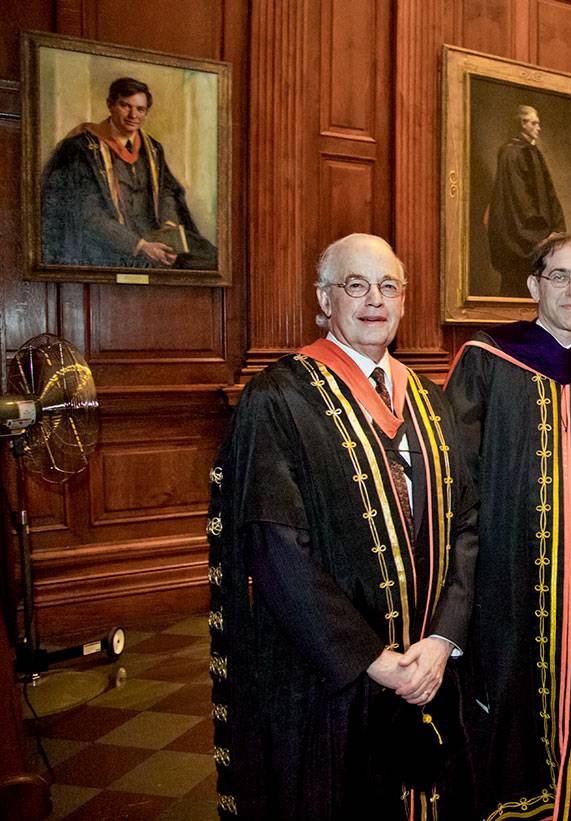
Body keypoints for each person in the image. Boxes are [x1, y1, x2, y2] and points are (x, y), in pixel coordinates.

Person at [206, 234, 478, 818]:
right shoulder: (279, 400)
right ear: (324, 300)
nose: (374, 300)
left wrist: (442, 639)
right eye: (356, 285)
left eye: (387, 286)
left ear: (404, 300)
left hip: (429, 670)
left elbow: (467, 525)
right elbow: (275, 551)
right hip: (329, 684)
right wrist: (372, 658)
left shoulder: (432, 403)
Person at [446, 232, 571, 820]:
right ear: (534, 285)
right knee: (509, 690)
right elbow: (457, 471)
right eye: (560, 276)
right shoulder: (488, 360)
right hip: (507, 574)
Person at [40, 77, 217, 269]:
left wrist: (168, 230)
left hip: (154, 237)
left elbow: (167, 192)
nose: (133, 115)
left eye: (140, 109)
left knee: (212, 261)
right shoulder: (81, 149)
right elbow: (88, 213)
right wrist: (139, 246)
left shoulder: (153, 149)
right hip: (110, 243)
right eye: (125, 106)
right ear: (110, 105)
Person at [486, 105, 567, 295]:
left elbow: (548, 194)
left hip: (538, 230)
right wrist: (538, 231)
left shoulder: (532, 152)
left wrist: (555, 227)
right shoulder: (511, 153)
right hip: (520, 233)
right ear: (523, 124)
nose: (538, 128)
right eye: (534, 123)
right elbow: (518, 198)